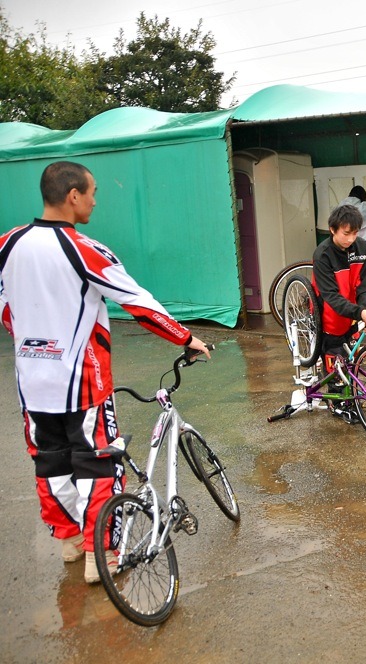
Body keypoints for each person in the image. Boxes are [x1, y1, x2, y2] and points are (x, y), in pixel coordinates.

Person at [0, 161, 212, 584]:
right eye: (92, 192)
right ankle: (104, 555)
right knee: (100, 466)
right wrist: (185, 338)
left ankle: (69, 541)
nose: (96, 200)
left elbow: (7, 312)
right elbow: (140, 303)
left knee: (51, 463)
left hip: (31, 385)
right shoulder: (86, 250)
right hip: (83, 385)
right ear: (73, 196)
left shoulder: (7, 245)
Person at [312, 204, 366, 389]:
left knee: (353, 361)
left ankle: (353, 398)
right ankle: (337, 402)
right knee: (335, 367)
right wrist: (360, 312)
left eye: (355, 233)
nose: (351, 239)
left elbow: (364, 285)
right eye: (346, 233)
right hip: (330, 317)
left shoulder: (362, 247)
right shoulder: (322, 255)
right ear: (332, 230)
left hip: (352, 315)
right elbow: (331, 297)